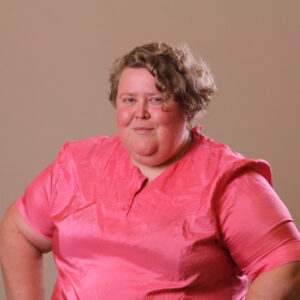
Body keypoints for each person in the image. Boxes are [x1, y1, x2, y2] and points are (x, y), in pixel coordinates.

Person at [1, 42, 300, 299]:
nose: (139, 113)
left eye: (157, 100)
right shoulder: (77, 164)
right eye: (129, 100)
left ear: (189, 106)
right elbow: (18, 231)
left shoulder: (228, 180)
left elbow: (286, 267)